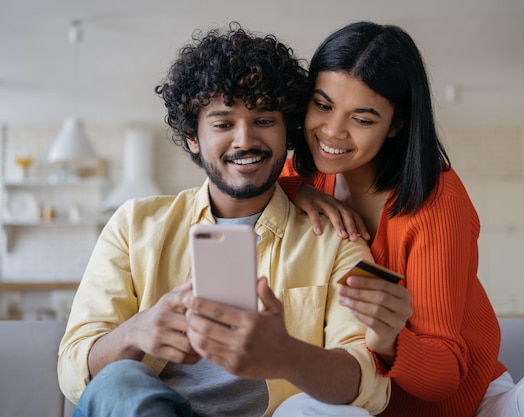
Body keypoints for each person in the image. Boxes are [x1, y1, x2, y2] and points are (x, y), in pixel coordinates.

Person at [277, 21, 524, 417]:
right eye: (323, 105)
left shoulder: (436, 199)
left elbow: (444, 375)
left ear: (397, 125)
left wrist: (390, 339)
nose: (333, 131)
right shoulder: (303, 178)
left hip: (472, 406)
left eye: (362, 118)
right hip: (363, 407)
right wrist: (298, 191)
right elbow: (248, 183)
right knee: (300, 411)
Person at [57, 23, 390, 417]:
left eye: (264, 120)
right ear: (193, 138)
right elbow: (74, 367)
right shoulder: (135, 225)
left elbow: (370, 384)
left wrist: (287, 355)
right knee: (120, 382)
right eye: (223, 123)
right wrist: (138, 331)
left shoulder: (334, 238)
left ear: (288, 133)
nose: (245, 139)